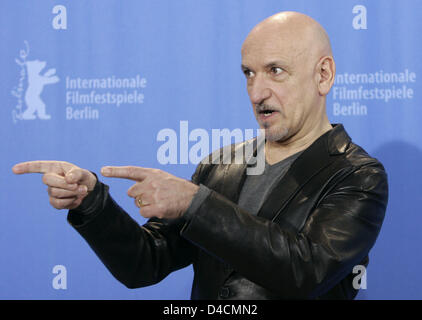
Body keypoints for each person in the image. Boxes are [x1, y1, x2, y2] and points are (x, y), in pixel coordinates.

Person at [12, 11, 388, 299]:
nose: (257, 92)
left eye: (275, 71)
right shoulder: (219, 166)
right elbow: (145, 262)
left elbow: (306, 272)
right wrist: (92, 202)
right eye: (248, 73)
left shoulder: (358, 176)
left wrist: (195, 203)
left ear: (323, 75)